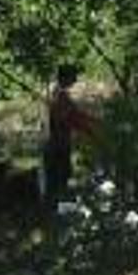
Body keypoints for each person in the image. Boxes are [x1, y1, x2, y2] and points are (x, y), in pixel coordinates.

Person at [42, 63, 97, 206]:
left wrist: (95, 121)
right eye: (74, 77)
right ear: (65, 78)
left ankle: (55, 215)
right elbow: (70, 119)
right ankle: (53, 218)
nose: (76, 80)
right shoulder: (59, 96)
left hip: (58, 146)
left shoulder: (59, 94)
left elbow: (76, 115)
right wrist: (91, 132)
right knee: (57, 184)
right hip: (57, 147)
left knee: (59, 183)